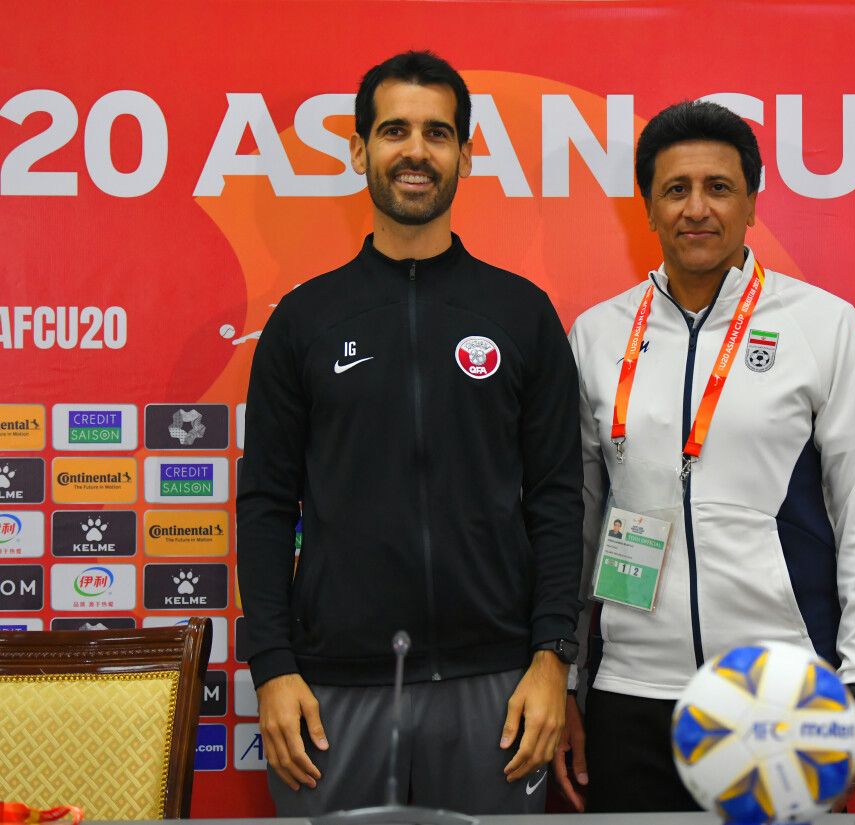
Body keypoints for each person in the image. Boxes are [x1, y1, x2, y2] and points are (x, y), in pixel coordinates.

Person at [237, 50, 582, 816]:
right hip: (331, 689)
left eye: (437, 132)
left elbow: (558, 498)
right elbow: (265, 504)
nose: (416, 151)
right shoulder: (304, 321)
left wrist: (552, 656)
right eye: (395, 130)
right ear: (359, 150)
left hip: (498, 689)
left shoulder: (521, 314)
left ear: (466, 153)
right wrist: (273, 666)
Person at [556, 101, 855, 813]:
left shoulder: (823, 325)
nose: (696, 208)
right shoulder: (596, 334)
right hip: (629, 690)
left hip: (781, 686)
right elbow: (577, 520)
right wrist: (567, 677)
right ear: (648, 208)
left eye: (719, 187)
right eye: (675, 189)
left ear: (751, 204)